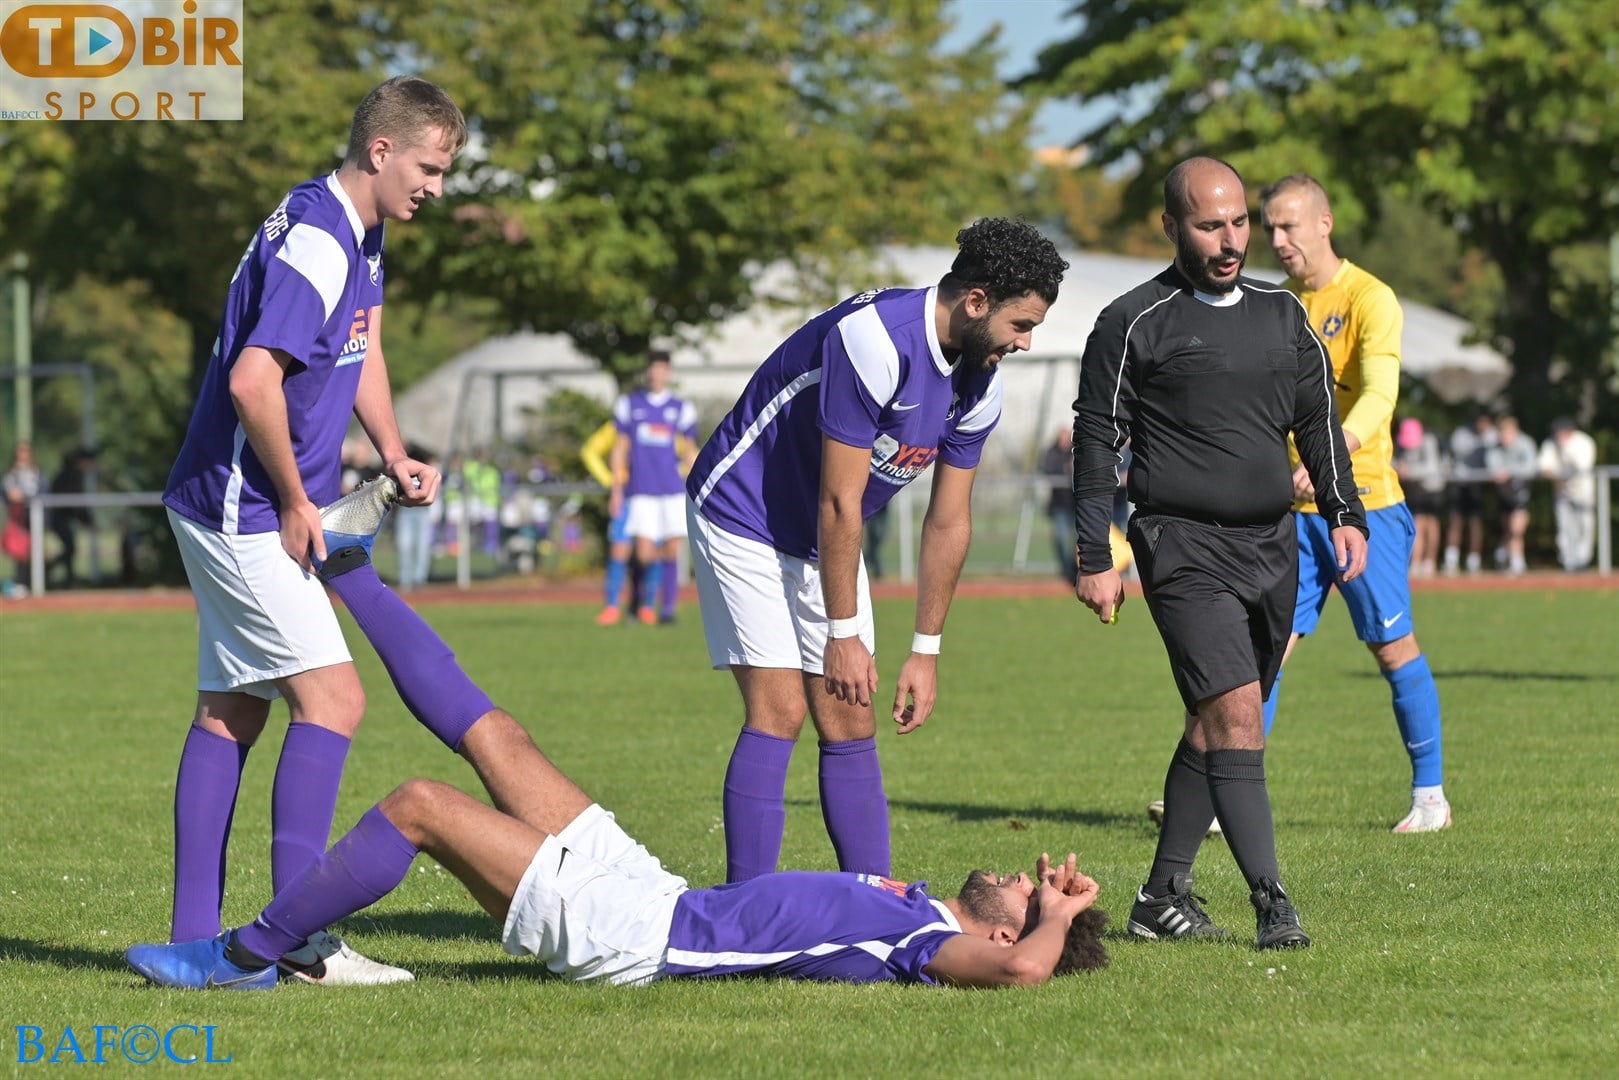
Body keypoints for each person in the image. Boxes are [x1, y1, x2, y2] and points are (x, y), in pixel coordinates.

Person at [126, 542, 1109, 991]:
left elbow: (1024, 973)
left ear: (1010, 928)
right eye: (1036, 880)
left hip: (635, 935)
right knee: (499, 740)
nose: (1024, 879)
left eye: (1028, 892)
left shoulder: (941, 947)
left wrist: (1057, 921)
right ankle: (350, 565)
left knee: (421, 805)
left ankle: (250, 953)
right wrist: (1049, 905)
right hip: (655, 890)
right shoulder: (928, 906)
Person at [158, 75, 467, 985]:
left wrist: (391, 448)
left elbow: (357, 347)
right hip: (243, 508)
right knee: (333, 701)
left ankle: (192, 938)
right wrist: (298, 500)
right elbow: (256, 381)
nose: (436, 188)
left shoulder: (354, 229)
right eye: (429, 167)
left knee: (231, 712)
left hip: (228, 500)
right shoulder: (325, 242)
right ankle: (298, 942)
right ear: (381, 151)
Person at [686, 217, 1068, 884]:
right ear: (975, 301)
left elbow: (948, 523)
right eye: (1020, 324)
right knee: (779, 710)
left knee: (849, 717)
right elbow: (838, 501)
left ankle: (879, 901)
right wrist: (842, 635)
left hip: (820, 534)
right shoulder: (875, 341)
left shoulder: (981, 378)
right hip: (742, 512)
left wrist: (925, 650)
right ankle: (741, 911)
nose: (1025, 343)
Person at [1072, 158, 1368, 950]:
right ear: (1171, 227)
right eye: (1210, 225)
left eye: (1239, 221)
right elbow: (1096, 440)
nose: (1231, 238)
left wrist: (1345, 512)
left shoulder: (1281, 314)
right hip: (1181, 545)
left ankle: (1160, 895)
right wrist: (1089, 553)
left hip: (1274, 547)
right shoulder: (1132, 321)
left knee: (1215, 721)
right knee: (1238, 717)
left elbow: (1318, 422)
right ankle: (1272, 903)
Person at [1258, 173, 1450, 833]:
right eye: (1270, 228)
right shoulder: (1276, 306)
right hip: (1294, 515)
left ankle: (1430, 799)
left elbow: (1379, 392)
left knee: (1391, 647)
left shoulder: (1370, 297)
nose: (1278, 239)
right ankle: (1230, 795)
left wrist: (1329, 457)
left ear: (1323, 221)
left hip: (1363, 506)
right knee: (1265, 652)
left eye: (1288, 225)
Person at [608, 350, 699, 625]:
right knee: (643, 551)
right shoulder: (630, 405)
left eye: (662, 369)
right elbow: (620, 448)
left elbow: (690, 451)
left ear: (668, 372)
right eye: (653, 369)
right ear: (648, 372)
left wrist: (696, 485)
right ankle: (636, 601)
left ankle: (668, 609)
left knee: (673, 550)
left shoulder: (681, 408)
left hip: (671, 489)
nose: (657, 374)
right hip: (641, 490)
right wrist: (616, 488)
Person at [1538, 417, 1599, 572]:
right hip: (1562, 492)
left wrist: (1566, 450)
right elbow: (1544, 467)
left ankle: (1583, 560)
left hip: (1583, 492)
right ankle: (1568, 562)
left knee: (1584, 525)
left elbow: (1582, 466)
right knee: (1565, 527)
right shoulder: (1550, 443)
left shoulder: (1584, 442)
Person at [1442, 412, 1496, 575]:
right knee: (1456, 521)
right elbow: (1457, 455)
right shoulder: (1462, 434)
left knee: (1475, 523)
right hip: (1461, 483)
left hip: (1478, 485)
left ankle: (1474, 560)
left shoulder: (1493, 436)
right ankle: (1451, 560)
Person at [1393, 418, 1446, 577]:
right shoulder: (1400, 443)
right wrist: (1399, 468)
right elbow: (1392, 461)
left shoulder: (1428, 441)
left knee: (1430, 523)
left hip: (1433, 488)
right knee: (1417, 524)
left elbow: (1432, 467)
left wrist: (1410, 471)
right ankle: (1415, 562)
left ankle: (1429, 561)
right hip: (1416, 490)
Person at [1487, 415, 1538, 575]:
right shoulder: (1495, 448)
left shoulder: (1526, 444)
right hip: (1504, 494)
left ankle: (1516, 562)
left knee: (1517, 529)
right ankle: (1505, 555)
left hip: (1520, 492)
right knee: (1508, 530)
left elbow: (1531, 467)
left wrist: (1510, 472)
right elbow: (1493, 468)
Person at [45, 446, 96, 588]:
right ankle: (54, 571)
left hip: (61, 517)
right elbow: (76, 503)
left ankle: (68, 578)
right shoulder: (72, 475)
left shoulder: (71, 473)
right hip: (57, 517)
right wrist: (88, 521)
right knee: (70, 547)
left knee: (70, 547)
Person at [392, 446, 438, 590]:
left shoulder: (427, 472)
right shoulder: (401, 469)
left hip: (422, 512)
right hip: (405, 511)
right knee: (404, 545)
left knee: (422, 546)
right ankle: (405, 580)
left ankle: (419, 580)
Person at [1041, 427, 1078, 585]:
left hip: (1076, 505)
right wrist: (1066, 468)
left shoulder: (1076, 451)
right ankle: (1066, 571)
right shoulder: (1052, 453)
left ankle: (1075, 571)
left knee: (1078, 541)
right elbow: (1048, 471)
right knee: (1061, 540)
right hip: (1059, 506)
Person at [3, 442, 41, 596]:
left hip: (34, 518)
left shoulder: (34, 473)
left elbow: (34, 491)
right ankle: (19, 583)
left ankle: (31, 583)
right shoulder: (11, 474)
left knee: (33, 551)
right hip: (17, 519)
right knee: (18, 551)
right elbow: (11, 494)